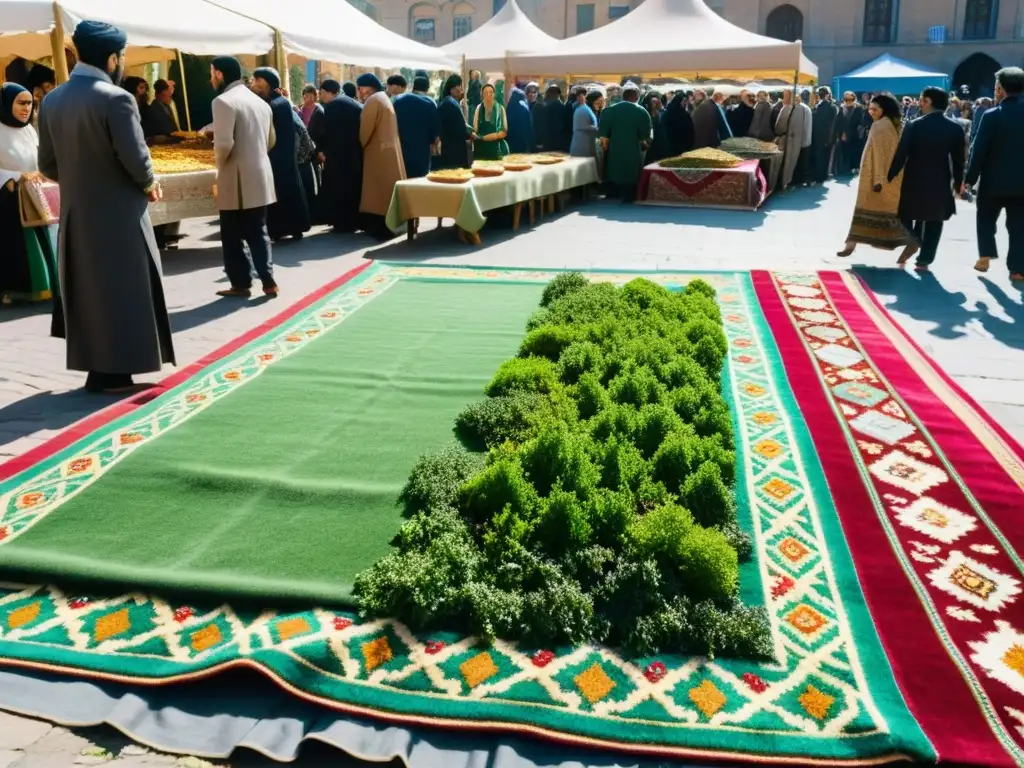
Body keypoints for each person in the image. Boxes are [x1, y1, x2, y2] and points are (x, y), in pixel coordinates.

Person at [36, 20, 175, 393]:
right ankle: (117, 373)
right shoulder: (116, 98)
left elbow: (47, 165)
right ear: (113, 57)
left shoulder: (52, 99)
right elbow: (136, 159)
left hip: (76, 212)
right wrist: (149, 184)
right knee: (125, 289)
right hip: (119, 213)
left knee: (89, 292)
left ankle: (98, 370)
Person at [209, 55, 278, 297]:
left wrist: (218, 168)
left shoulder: (223, 101)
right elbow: (271, 141)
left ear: (219, 74)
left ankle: (241, 282)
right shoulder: (260, 102)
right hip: (259, 174)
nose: (211, 78)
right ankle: (268, 280)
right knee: (258, 230)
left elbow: (224, 144)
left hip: (235, 175)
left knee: (231, 233)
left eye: (212, 73)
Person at [887, 86, 965, 272]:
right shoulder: (955, 128)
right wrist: (958, 183)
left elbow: (901, 155)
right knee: (934, 220)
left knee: (906, 214)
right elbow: (958, 160)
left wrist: (890, 176)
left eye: (921, 99)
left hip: (914, 178)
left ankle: (913, 239)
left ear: (928, 101)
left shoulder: (915, 125)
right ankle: (924, 260)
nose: (919, 103)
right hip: (940, 179)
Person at [0, 83, 59, 308]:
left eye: (29, 104)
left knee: (43, 242)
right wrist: (15, 176)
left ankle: (45, 286)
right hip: (8, 201)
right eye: (20, 103)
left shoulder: (28, 129)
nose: (26, 108)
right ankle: (13, 291)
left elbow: (39, 159)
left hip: (35, 197)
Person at [836, 93, 915, 258]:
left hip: (876, 177)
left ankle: (852, 243)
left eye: (874, 109)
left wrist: (878, 180)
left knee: (870, 210)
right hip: (889, 176)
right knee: (888, 212)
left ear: (883, 109)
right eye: (870, 109)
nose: (871, 112)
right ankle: (851, 243)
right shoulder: (894, 124)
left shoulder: (880, 126)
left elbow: (881, 154)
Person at [966, 67, 1024, 281]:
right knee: (1020, 226)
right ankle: (1017, 268)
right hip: (1022, 185)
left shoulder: (992, 116)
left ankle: (985, 255)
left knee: (986, 218)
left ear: (1000, 89)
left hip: (993, 181)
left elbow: (979, 150)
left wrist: (969, 179)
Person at [251, 67, 311, 242]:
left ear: (265, 82)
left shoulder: (276, 104)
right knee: (286, 192)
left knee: (282, 193)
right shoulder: (277, 102)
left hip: (279, 156)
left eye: (256, 80)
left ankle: (283, 228)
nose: (254, 84)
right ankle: (292, 227)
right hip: (281, 155)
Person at [356, 72, 405, 240]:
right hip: (388, 152)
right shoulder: (384, 99)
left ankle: (380, 229)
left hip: (377, 153)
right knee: (386, 194)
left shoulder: (373, 101)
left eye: (361, 88)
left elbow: (365, 131)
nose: (360, 92)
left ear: (368, 88)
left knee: (377, 196)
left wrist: (361, 146)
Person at [317, 80, 363, 232]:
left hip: (337, 156)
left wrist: (323, 151)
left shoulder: (332, 107)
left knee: (337, 189)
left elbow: (328, 132)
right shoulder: (353, 103)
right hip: (354, 154)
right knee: (351, 188)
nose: (320, 96)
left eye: (322, 92)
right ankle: (352, 220)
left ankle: (340, 221)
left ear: (330, 92)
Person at [598, 82, 652, 203]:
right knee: (630, 172)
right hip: (633, 149)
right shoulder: (641, 111)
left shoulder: (608, 110)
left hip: (614, 150)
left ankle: (612, 192)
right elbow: (646, 135)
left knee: (614, 169)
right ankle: (629, 195)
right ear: (636, 97)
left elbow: (603, 135)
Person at [394, 74, 440, 178]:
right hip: (421, 155)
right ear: (427, 88)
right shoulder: (430, 103)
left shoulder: (399, 100)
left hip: (400, 152)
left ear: (414, 87)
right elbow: (435, 135)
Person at [436, 74, 473, 170]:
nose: (459, 88)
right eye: (456, 86)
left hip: (451, 147)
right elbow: (458, 127)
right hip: (453, 148)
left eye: (459, 85)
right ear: (450, 89)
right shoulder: (449, 104)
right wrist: (469, 134)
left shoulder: (450, 102)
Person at [774, 90, 808, 190]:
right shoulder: (803, 109)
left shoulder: (787, 108)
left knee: (782, 165)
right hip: (796, 142)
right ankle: (787, 182)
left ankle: (782, 184)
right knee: (790, 164)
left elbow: (779, 127)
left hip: (786, 141)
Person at [471, 83, 508, 161]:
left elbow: (504, 132)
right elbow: (475, 129)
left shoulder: (500, 109)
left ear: (494, 94)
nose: (488, 95)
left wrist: (487, 137)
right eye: (486, 93)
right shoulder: (479, 108)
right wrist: (474, 134)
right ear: (482, 95)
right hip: (481, 149)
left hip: (497, 150)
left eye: (491, 92)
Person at [810, 86, 838, 184]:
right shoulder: (817, 105)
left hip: (825, 137)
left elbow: (833, 124)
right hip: (816, 135)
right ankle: (818, 175)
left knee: (823, 157)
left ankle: (821, 176)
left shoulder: (832, 107)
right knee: (818, 156)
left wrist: (830, 139)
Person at [833, 92, 865, 176]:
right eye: (846, 99)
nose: (848, 102)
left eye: (851, 99)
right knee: (844, 152)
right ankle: (845, 168)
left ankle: (855, 167)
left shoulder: (859, 108)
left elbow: (861, 122)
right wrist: (841, 133)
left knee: (855, 152)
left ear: (854, 99)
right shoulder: (841, 108)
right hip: (843, 134)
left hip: (855, 135)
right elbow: (838, 122)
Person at [570, 89, 602, 159]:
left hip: (591, 143)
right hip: (582, 144)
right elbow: (583, 126)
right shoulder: (584, 110)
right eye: (598, 102)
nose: (600, 105)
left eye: (601, 102)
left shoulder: (597, 111)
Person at [662, 91, 694, 157]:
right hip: (681, 146)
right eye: (684, 101)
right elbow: (690, 131)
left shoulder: (667, 113)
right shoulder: (684, 114)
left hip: (669, 146)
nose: (685, 103)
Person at [505, 86, 534, 154]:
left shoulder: (509, 107)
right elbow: (529, 125)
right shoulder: (524, 107)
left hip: (511, 139)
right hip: (522, 140)